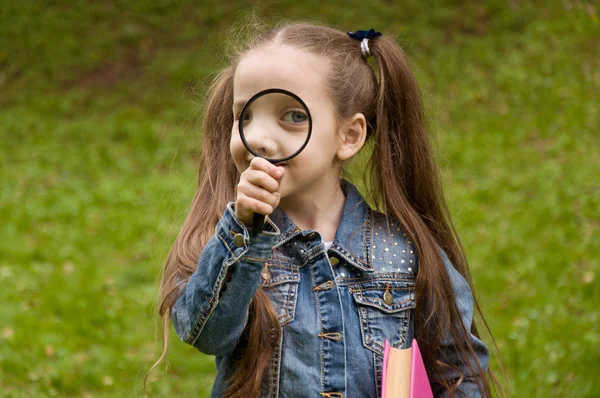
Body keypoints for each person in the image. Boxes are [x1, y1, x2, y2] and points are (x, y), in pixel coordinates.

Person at [148, 22, 503, 398]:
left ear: (348, 136)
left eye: (293, 116)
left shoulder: (405, 254)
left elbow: (461, 373)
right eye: (245, 116)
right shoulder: (227, 245)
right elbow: (206, 334)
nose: (259, 139)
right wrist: (245, 231)